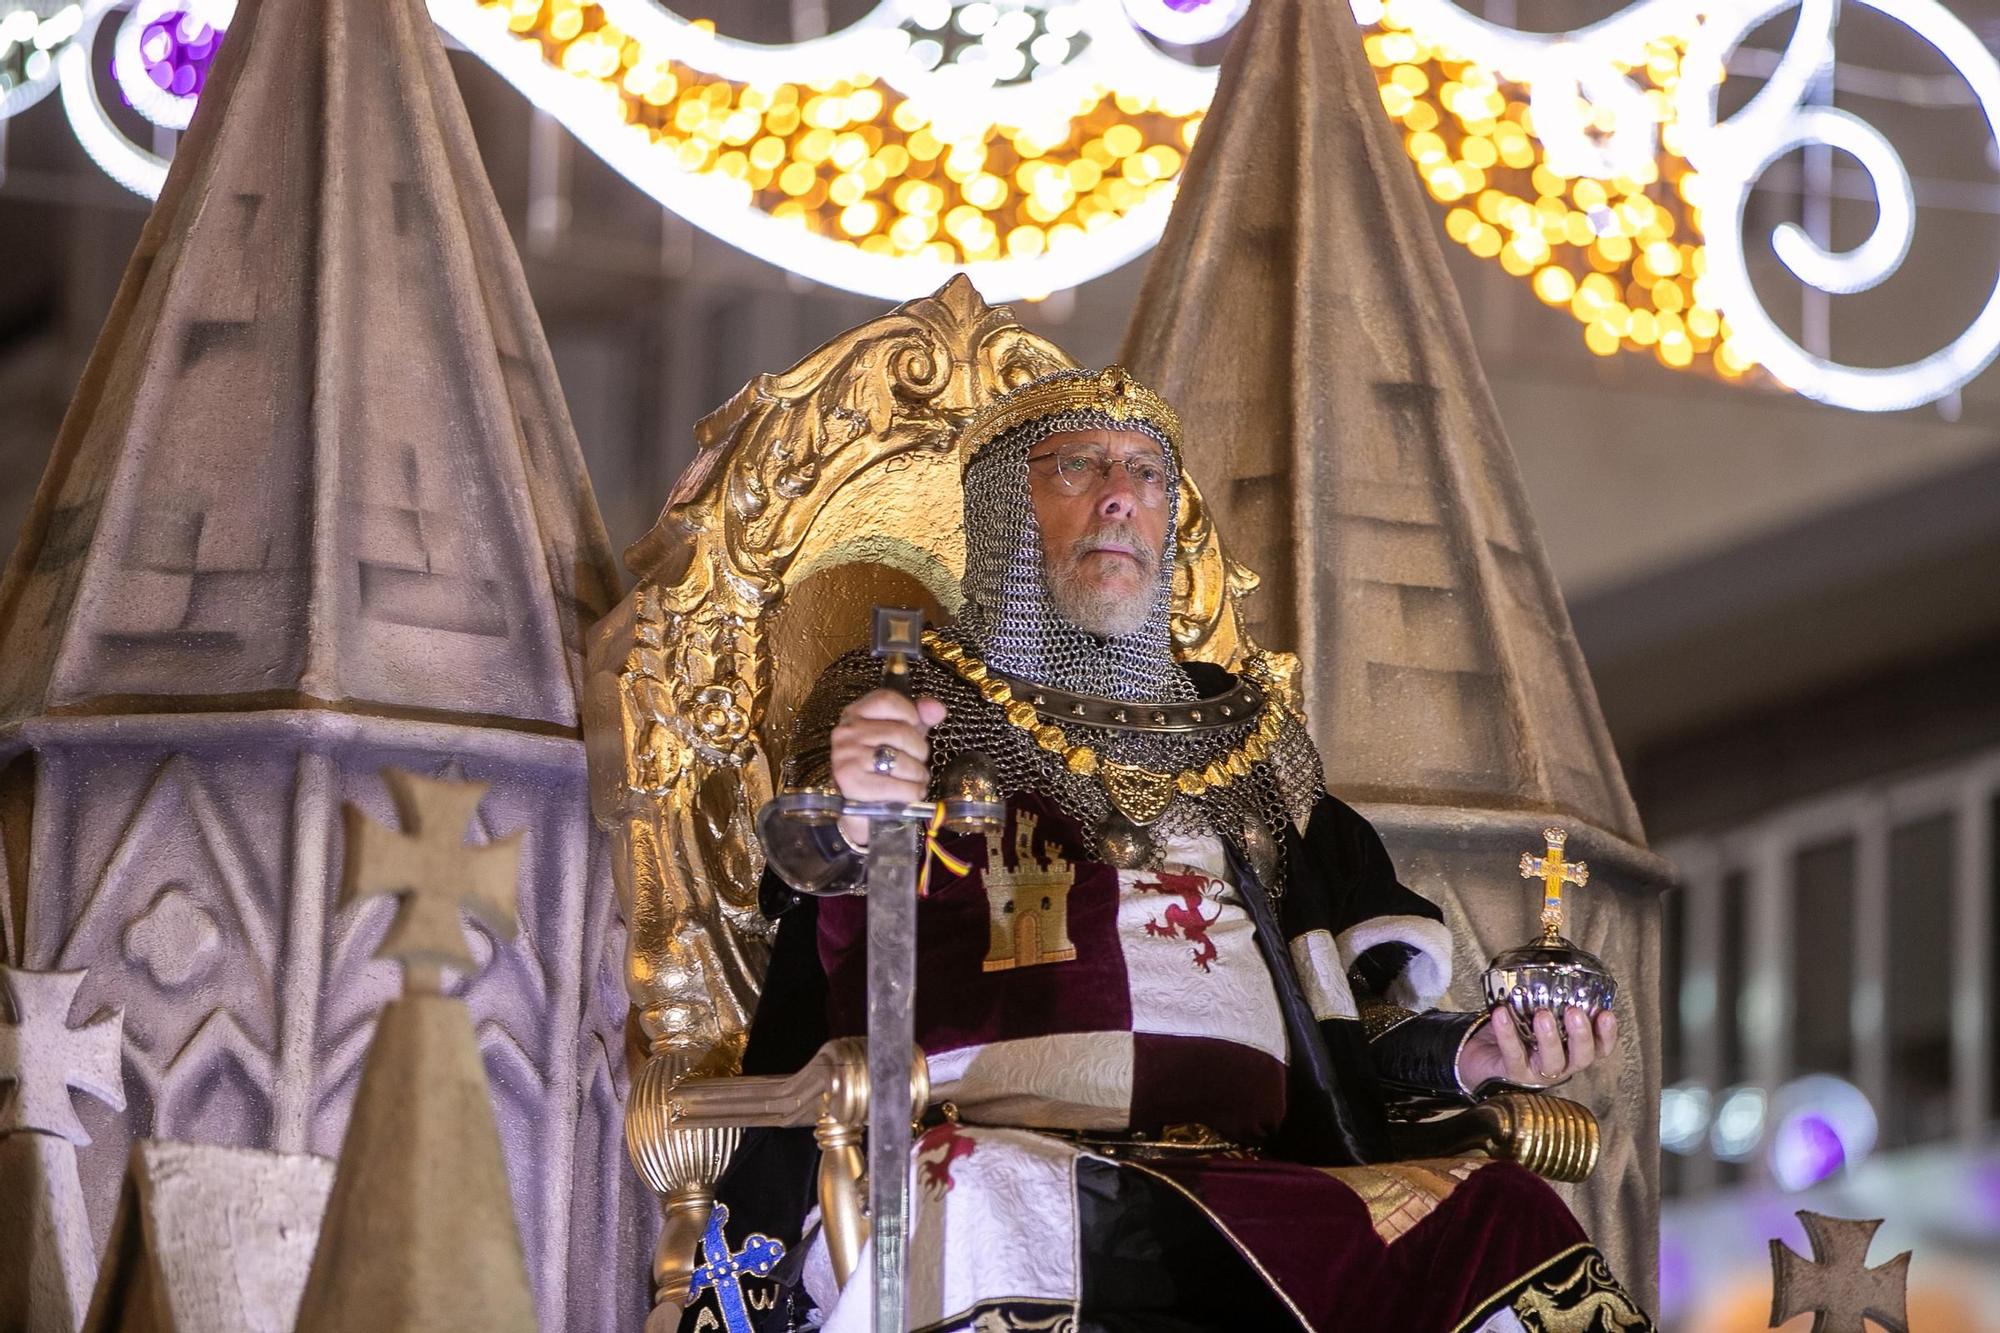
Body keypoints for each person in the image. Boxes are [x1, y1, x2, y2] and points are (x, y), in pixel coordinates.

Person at [687, 366, 1653, 1333]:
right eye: (1078, 467)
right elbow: (812, 876)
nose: (1119, 494)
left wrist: (1471, 1051)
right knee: (986, 1196)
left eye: (1146, 473)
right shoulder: (905, 693)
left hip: (1266, 1185)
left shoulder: (1250, 737)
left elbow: (1348, 1018)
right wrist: (861, 802)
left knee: (1505, 1219)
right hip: (1013, 1160)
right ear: (1002, 515)